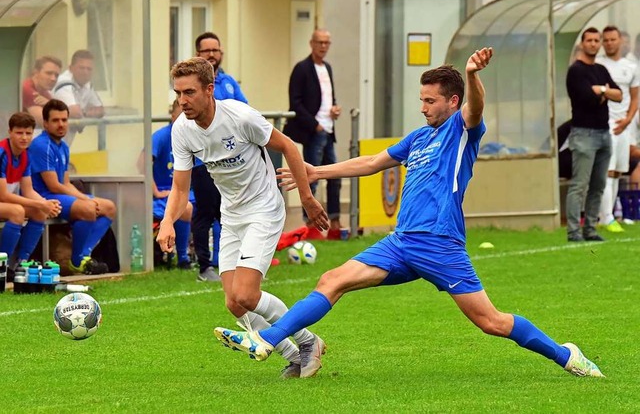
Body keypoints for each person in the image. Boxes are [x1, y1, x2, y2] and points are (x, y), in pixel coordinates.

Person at [214, 48, 605, 379]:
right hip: (401, 242)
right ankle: (273, 342)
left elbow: (476, 108)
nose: (423, 108)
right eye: (421, 100)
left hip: (439, 244)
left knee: (492, 323)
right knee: (332, 279)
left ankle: (566, 355)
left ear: (452, 101)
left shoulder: (461, 130)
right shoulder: (419, 137)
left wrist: (471, 75)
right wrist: (318, 171)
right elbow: (372, 161)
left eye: (431, 101)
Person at [156, 57, 329, 379]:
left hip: (264, 209)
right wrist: (167, 223)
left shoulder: (239, 116)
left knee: (247, 294)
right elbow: (180, 189)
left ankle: (307, 343)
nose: (182, 101)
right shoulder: (182, 130)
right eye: (178, 93)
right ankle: (295, 354)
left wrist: (307, 198)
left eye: (189, 92)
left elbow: (290, 147)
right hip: (231, 214)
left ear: (209, 90)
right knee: (234, 304)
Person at [29, 99, 115, 274]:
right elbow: (53, 186)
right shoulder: (41, 145)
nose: (61, 125)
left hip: (60, 194)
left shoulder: (63, 146)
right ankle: (77, 261)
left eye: (64, 120)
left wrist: (85, 198)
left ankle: (84, 254)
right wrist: (84, 199)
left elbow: (66, 182)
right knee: (88, 208)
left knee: (109, 207)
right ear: (45, 123)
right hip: (44, 197)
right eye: (55, 120)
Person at [190, 32, 249, 281]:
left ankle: (234, 265)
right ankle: (205, 266)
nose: (212, 55)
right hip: (204, 162)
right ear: (198, 54)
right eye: (207, 51)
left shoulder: (228, 82)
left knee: (231, 214)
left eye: (216, 50)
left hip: (232, 162)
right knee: (205, 213)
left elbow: (246, 111)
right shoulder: (190, 83)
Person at [283, 29, 343, 240]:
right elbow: (296, 103)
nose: (323, 46)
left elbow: (328, 98)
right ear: (311, 43)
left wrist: (335, 109)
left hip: (328, 129)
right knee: (311, 177)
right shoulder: (302, 69)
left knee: (334, 176)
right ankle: (310, 224)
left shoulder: (327, 68)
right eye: (320, 42)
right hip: (314, 131)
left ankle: (334, 221)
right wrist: (314, 124)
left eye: (327, 43)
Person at [565, 27, 622, 242]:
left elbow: (619, 95)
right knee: (579, 185)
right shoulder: (576, 71)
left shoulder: (601, 69)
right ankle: (573, 231)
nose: (594, 44)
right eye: (589, 40)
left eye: (596, 40)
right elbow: (585, 98)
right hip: (583, 134)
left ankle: (590, 228)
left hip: (603, 133)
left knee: (598, 185)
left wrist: (603, 91)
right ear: (582, 43)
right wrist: (600, 93)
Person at [136, 100, 194, 269]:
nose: (185, 119)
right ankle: (182, 257)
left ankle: (214, 258)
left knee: (214, 206)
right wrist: (154, 191)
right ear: (173, 115)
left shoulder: (194, 136)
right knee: (187, 208)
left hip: (186, 191)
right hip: (164, 193)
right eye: (181, 114)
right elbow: (141, 165)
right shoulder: (161, 137)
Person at [0, 112, 62, 270]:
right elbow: (4, 195)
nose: (24, 138)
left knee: (39, 212)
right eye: (19, 133)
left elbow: (28, 191)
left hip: (4, 203)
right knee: (17, 212)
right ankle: (3, 266)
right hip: (3, 201)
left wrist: (46, 204)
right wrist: (40, 203)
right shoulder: (2, 153)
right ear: (10, 133)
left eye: (28, 133)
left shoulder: (25, 156)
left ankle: (21, 264)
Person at [596, 26, 639, 232]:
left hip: (625, 126)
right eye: (606, 40)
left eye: (613, 39)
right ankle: (607, 216)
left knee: (617, 173)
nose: (609, 43)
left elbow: (635, 96)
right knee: (607, 171)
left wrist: (628, 119)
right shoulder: (598, 65)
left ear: (620, 40)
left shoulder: (631, 66)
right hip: (606, 125)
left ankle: (609, 215)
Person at [53, 50, 104, 147]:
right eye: (81, 68)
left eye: (89, 69)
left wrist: (83, 114)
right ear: (71, 68)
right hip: (45, 142)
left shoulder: (87, 85)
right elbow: (75, 112)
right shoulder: (63, 81)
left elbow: (100, 110)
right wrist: (84, 114)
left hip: (62, 143)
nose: (85, 72)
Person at [22, 56, 62, 129]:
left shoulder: (44, 92)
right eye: (49, 73)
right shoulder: (27, 88)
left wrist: (50, 104)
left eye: (56, 75)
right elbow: (45, 121)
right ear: (36, 72)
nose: (53, 78)